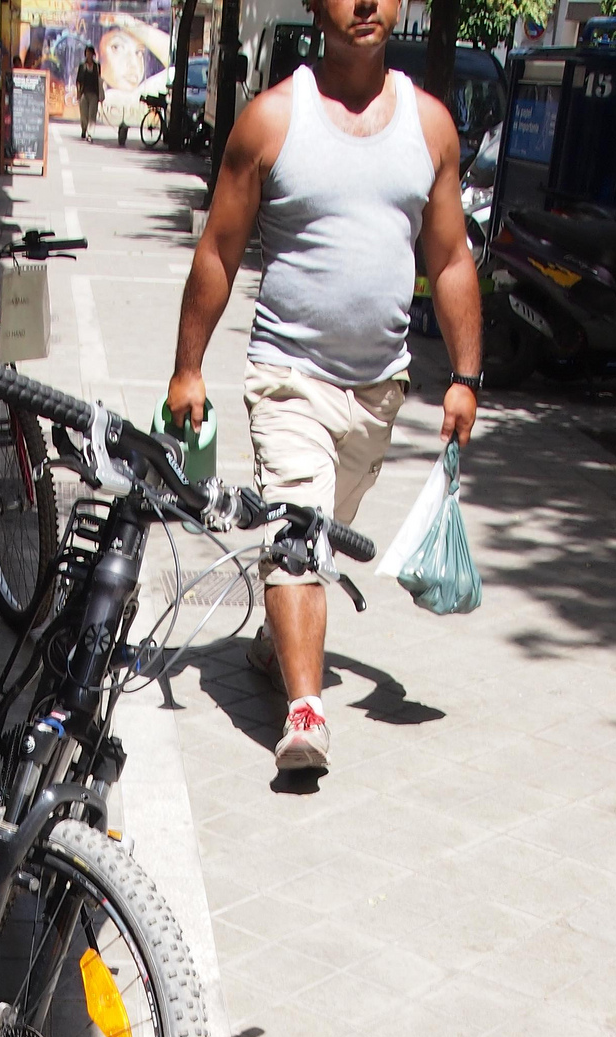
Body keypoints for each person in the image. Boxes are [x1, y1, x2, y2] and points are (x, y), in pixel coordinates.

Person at [166, 0, 481, 775]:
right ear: (314, 4)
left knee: (316, 546)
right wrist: (188, 365)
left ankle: (277, 648)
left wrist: (467, 376)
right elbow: (220, 250)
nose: (366, 3)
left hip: (379, 391)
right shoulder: (272, 121)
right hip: (288, 377)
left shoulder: (431, 126)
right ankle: (305, 714)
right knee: (300, 534)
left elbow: (448, 260)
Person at [75, 45, 103, 139]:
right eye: (87, 53)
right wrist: (78, 92)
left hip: (94, 93)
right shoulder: (82, 66)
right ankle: (84, 129)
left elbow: (99, 80)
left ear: (93, 54)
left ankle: (90, 133)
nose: (88, 55)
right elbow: (78, 80)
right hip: (84, 93)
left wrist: (100, 94)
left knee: (92, 115)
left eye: (90, 53)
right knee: (83, 114)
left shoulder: (97, 66)